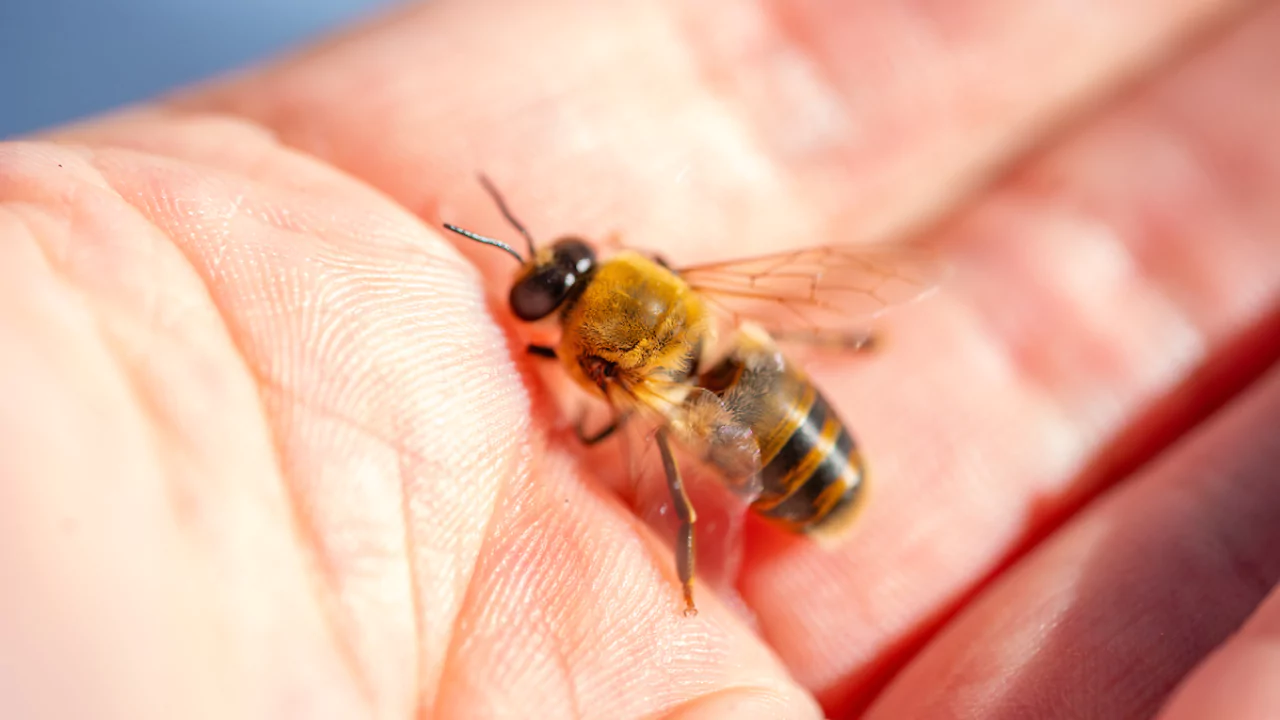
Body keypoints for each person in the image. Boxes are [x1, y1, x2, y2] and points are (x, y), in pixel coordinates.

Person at [1, 2, 1277, 718]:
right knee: (760, 348)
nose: (539, 287)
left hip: (757, 419)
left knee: (697, 440)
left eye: (546, 284)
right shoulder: (651, 295)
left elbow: (638, 438)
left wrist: (682, 529)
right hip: (757, 374)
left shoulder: (618, 364)